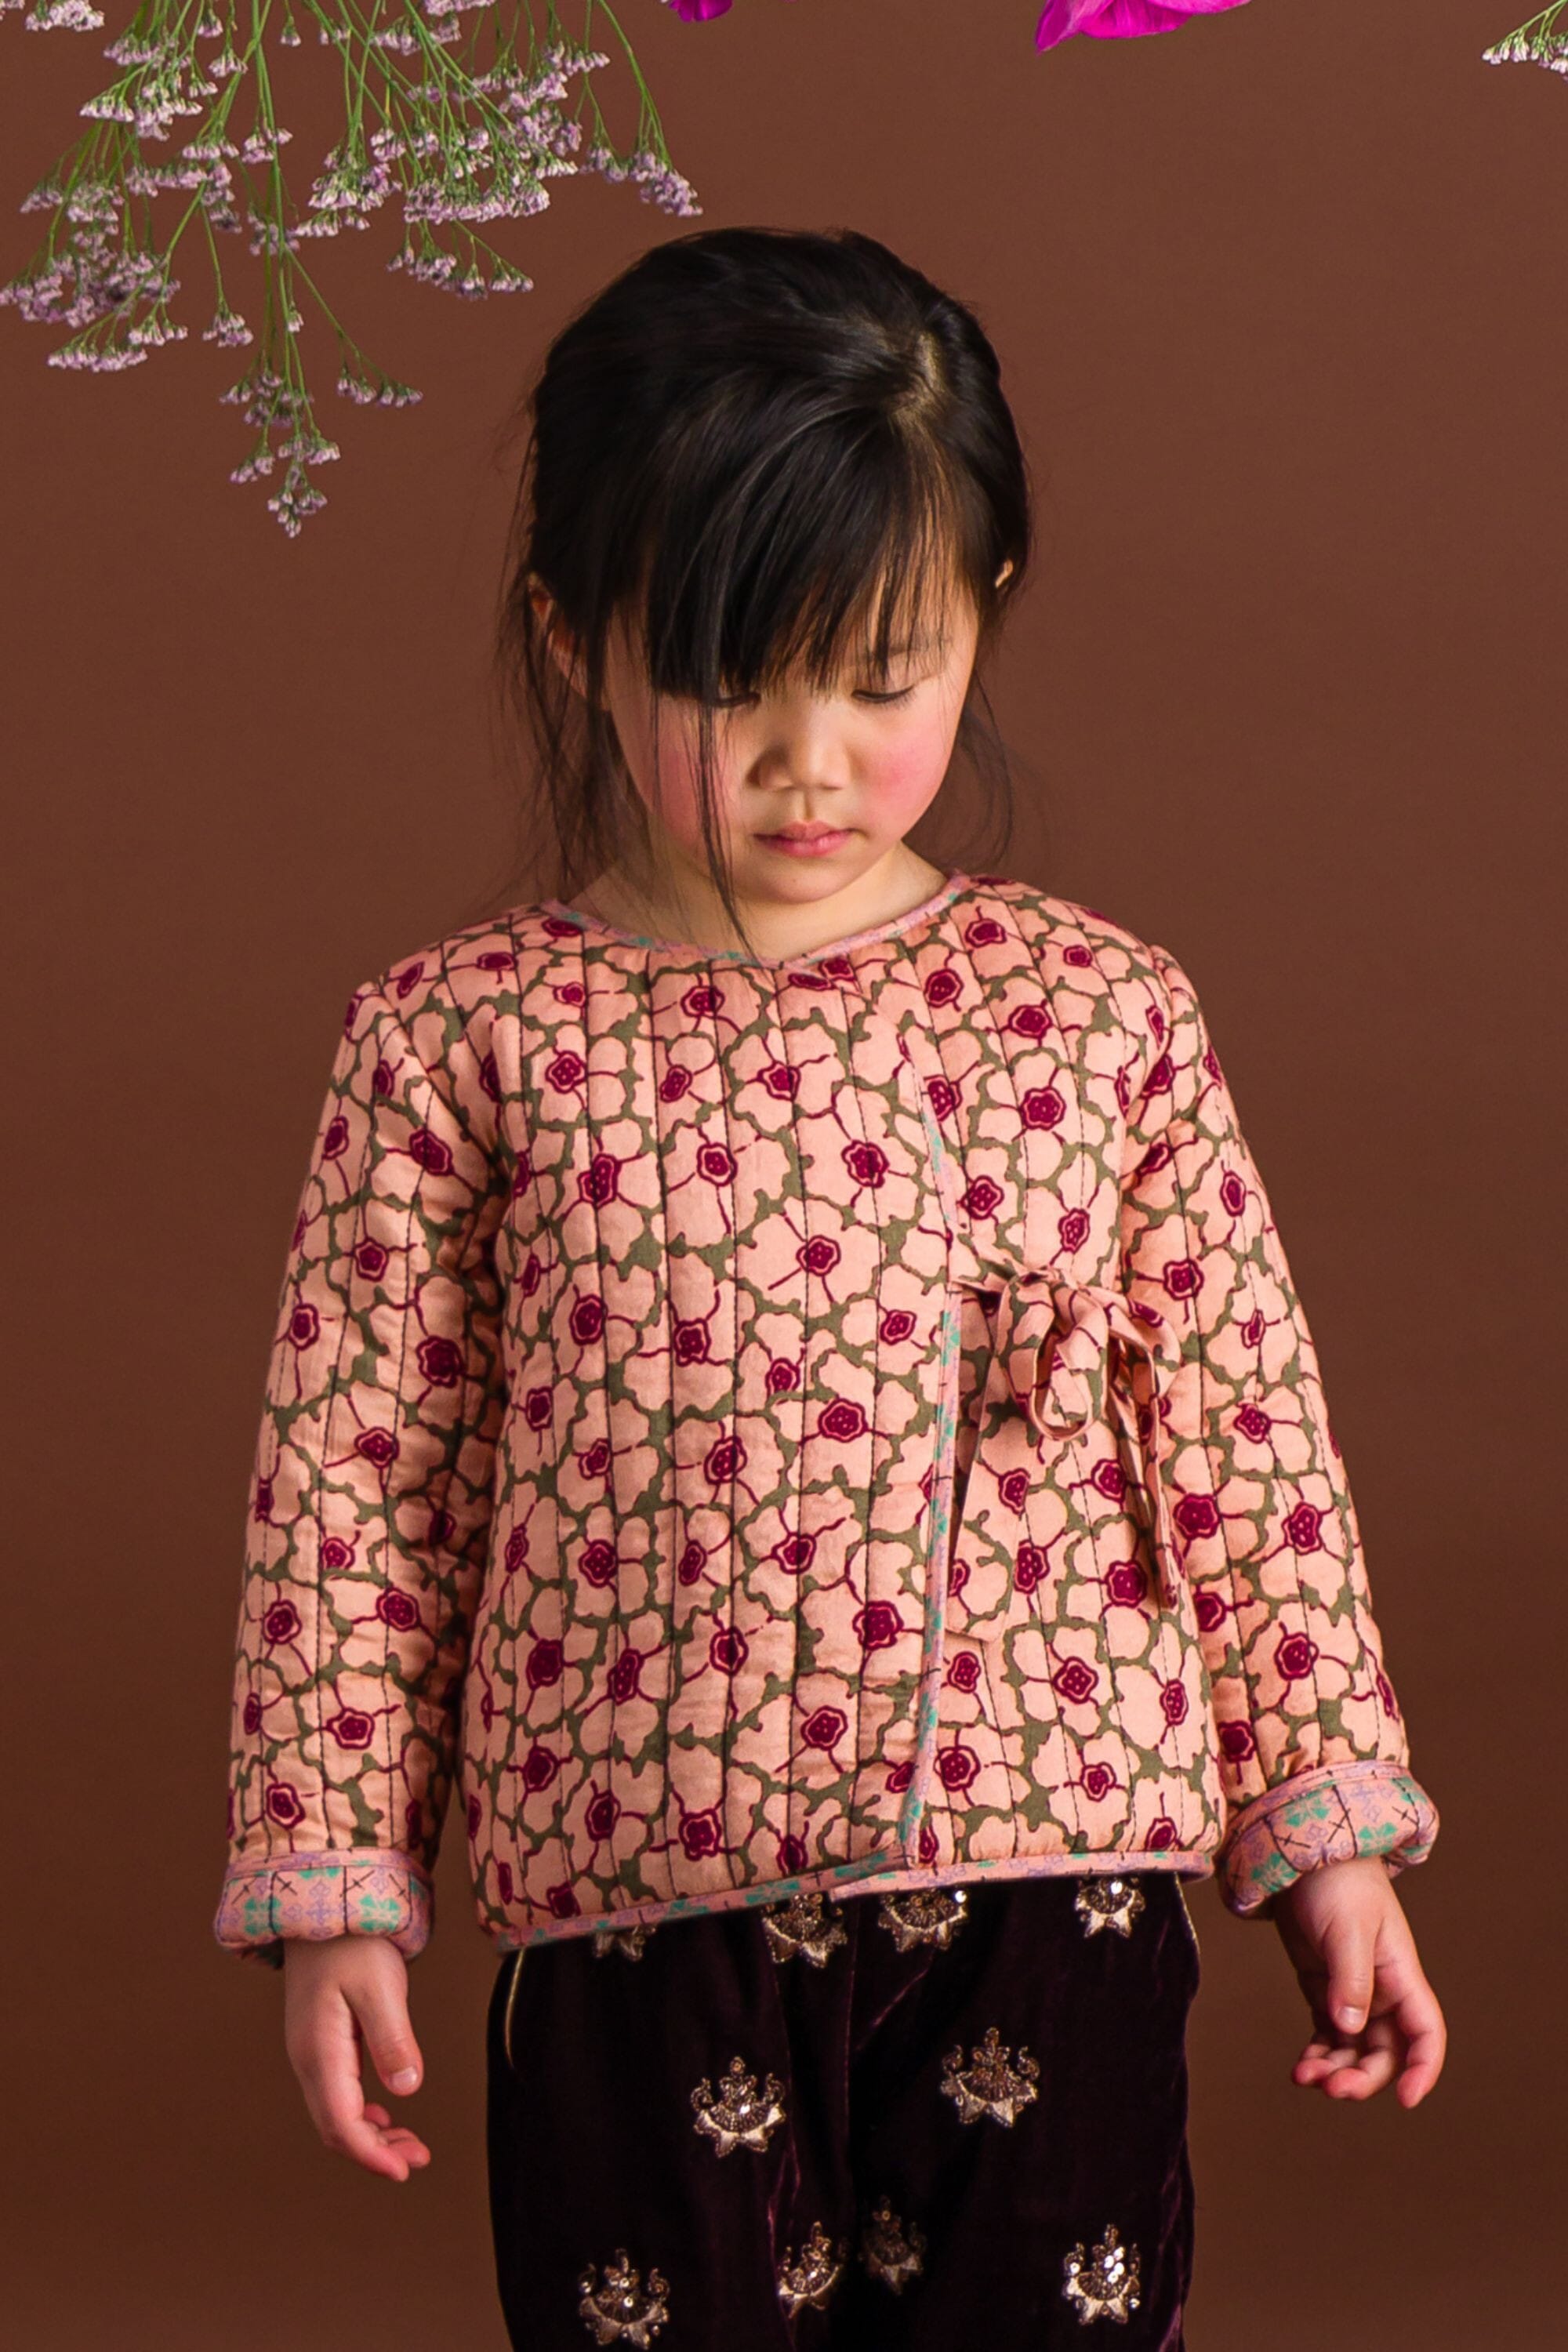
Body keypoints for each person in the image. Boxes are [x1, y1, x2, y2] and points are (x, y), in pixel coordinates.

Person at [213, 226, 1446, 2350]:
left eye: (883, 677)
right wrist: (340, 1893)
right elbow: (356, 1496)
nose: (809, 759)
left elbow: (1247, 1446)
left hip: (1053, 1892)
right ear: (574, 638)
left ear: (983, 611)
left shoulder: (1097, 1016)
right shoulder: (458, 1042)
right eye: (728, 682)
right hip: (634, 1918)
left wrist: (1328, 1832)